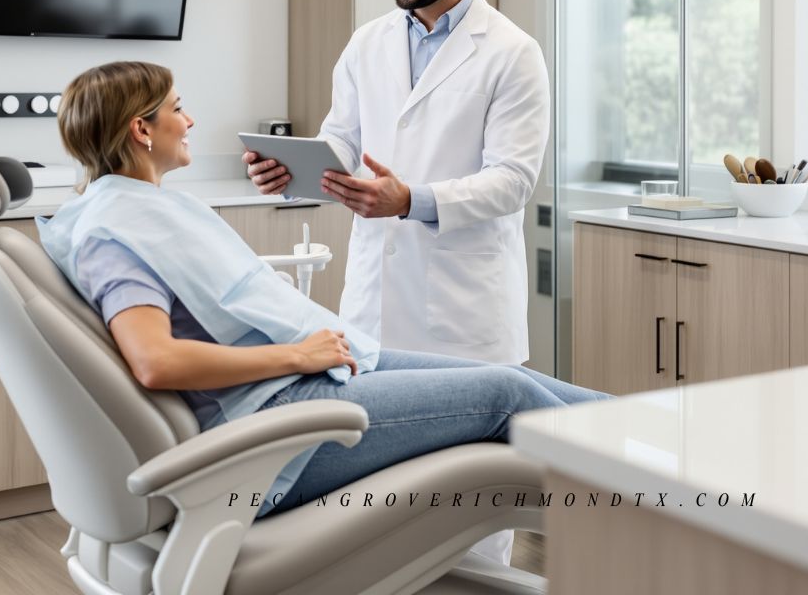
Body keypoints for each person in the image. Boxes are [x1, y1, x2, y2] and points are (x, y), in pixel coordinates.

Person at [39, 61, 605, 519]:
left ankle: (669, 432)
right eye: (178, 109)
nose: (189, 122)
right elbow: (154, 361)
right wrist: (295, 353)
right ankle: (671, 482)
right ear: (142, 129)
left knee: (521, 381)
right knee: (504, 395)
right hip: (275, 427)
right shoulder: (113, 234)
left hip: (299, 382)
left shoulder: (134, 207)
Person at [244, 0, 550, 559]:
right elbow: (341, 145)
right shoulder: (368, 42)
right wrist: (290, 174)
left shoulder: (511, 53)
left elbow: (513, 181)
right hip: (375, 303)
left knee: (470, 513)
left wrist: (410, 199)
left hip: (462, 309)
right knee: (379, 503)